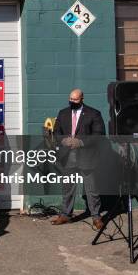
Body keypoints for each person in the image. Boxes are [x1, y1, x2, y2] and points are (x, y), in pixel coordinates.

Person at [51, 88, 106, 229]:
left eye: (75, 99)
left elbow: (99, 134)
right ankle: (65, 215)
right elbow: (56, 132)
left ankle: (96, 216)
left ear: (82, 99)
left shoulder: (94, 114)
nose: (72, 102)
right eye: (70, 99)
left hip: (87, 156)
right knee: (68, 187)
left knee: (91, 188)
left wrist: (81, 142)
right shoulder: (62, 113)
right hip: (68, 156)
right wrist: (63, 141)